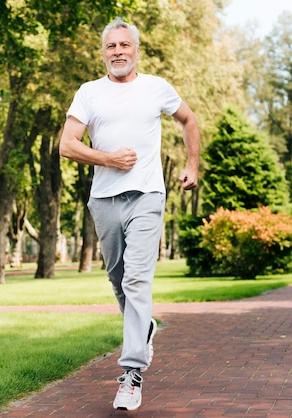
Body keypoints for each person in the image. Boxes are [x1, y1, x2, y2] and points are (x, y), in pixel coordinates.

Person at [59, 16, 201, 411]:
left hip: (147, 195)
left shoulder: (157, 87)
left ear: (137, 51)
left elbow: (189, 119)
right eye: (111, 46)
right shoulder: (89, 93)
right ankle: (146, 327)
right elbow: (66, 145)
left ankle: (131, 372)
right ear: (103, 53)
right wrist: (107, 158)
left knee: (138, 280)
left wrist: (192, 165)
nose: (118, 52)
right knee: (119, 280)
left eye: (125, 45)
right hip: (104, 198)